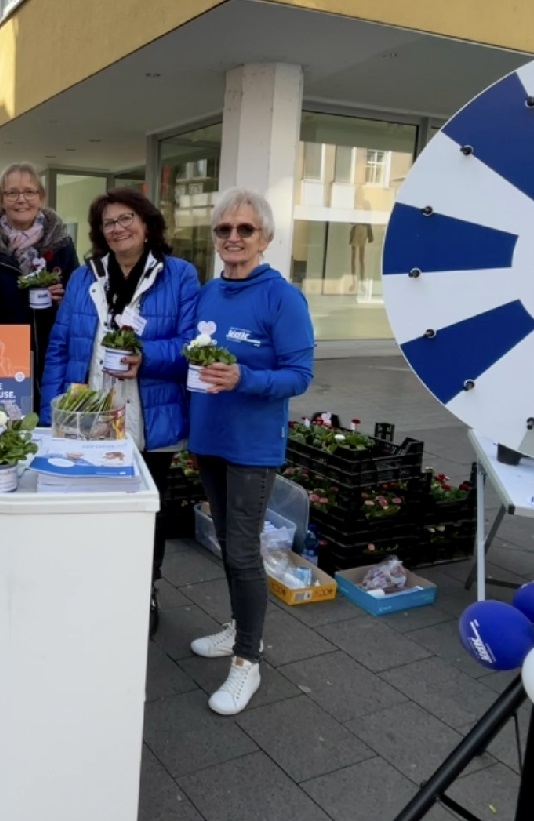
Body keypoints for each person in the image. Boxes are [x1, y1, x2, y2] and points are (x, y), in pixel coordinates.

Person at [42, 188, 200, 636]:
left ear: (147, 224)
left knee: (147, 513)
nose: (118, 228)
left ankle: (143, 591)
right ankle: (92, 589)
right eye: (109, 223)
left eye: (127, 218)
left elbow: (192, 345)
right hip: (86, 417)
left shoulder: (180, 276)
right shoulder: (84, 277)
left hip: (150, 421)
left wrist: (145, 356)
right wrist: (48, 414)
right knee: (89, 509)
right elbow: (60, 346)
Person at [187, 188, 315, 716]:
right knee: (226, 541)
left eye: (245, 230)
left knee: (242, 551)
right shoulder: (210, 291)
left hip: (253, 446)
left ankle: (248, 661)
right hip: (209, 438)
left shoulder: (282, 297)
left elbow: (300, 376)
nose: (233, 238)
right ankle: (240, 626)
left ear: (265, 237)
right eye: (224, 230)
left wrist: (245, 377)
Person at [0, 163, 79, 410]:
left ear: (41, 197)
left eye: (29, 192)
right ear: (1, 199)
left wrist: (63, 298)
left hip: (50, 353)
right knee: (5, 424)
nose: (21, 200)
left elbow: (79, 299)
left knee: (47, 421)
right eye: (12, 193)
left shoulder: (61, 244)